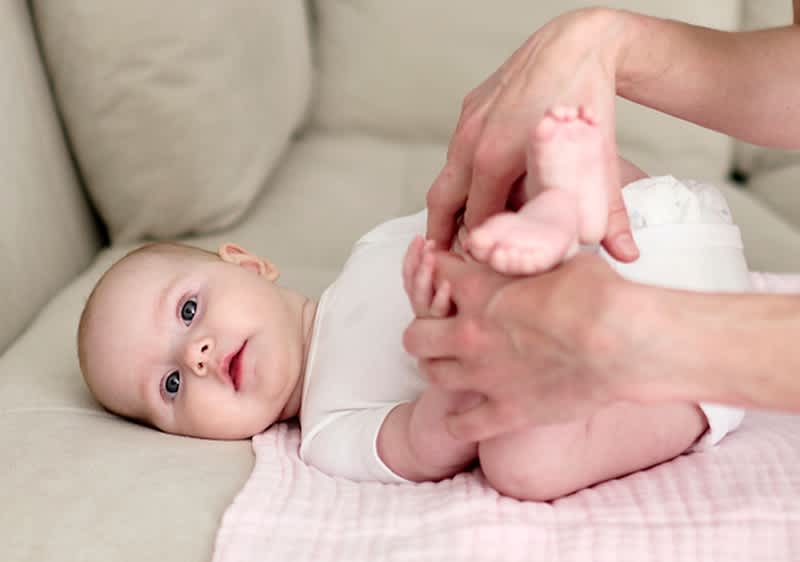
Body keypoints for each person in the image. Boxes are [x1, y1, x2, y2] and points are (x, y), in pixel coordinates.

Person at [79, 123, 764, 500]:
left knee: (502, 168)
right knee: (520, 468)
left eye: (190, 310)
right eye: (170, 386)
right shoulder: (328, 433)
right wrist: (450, 343)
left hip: (644, 230)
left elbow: (470, 209)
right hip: (670, 370)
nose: (194, 357)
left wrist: (481, 235)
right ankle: (536, 267)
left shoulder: (374, 248)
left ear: (248, 263)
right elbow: (431, 443)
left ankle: (552, 218)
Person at [405, 5, 800, 442]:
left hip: (717, 341)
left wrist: (643, 335)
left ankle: (556, 206)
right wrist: (602, 41)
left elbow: (421, 444)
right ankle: (557, 204)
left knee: (523, 463)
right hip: (690, 256)